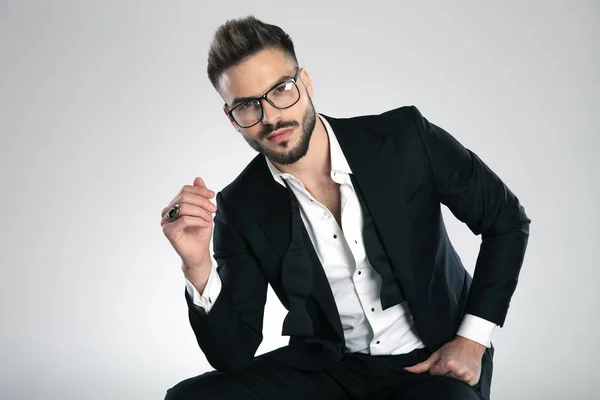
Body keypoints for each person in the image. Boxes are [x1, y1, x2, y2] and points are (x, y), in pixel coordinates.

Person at [160, 16, 530, 400]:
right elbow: (234, 355)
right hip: (329, 370)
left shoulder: (403, 138)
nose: (270, 117)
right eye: (247, 106)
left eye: (281, 90)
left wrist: (473, 339)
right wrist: (197, 265)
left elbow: (505, 220)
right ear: (231, 118)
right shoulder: (240, 205)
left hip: (430, 364)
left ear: (305, 81)